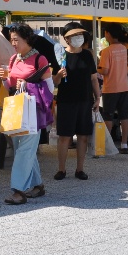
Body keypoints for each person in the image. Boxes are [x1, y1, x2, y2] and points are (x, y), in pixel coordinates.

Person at [0, 23, 51, 205]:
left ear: (27, 39)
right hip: (17, 111)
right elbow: (9, 85)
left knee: (24, 150)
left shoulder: (40, 60)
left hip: (33, 112)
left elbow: (50, 88)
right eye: (11, 39)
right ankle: (38, 185)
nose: (13, 43)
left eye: (16, 39)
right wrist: (6, 77)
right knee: (24, 150)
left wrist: (27, 84)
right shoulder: (14, 59)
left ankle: (18, 190)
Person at [53, 22, 99, 181]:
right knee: (64, 136)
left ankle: (80, 169)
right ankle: (61, 169)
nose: (78, 38)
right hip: (66, 100)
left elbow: (94, 78)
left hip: (85, 100)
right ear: (66, 39)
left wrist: (98, 97)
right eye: (73, 36)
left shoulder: (87, 55)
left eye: (79, 35)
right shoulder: (60, 55)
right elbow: (54, 82)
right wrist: (59, 75)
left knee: (83, 136)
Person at [98, 22, 128, 153]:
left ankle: (108, 145)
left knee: (108, 116)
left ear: (108, 34)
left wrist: (96, 68)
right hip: (124, 86)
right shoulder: (124, 48)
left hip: (111, 87)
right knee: (124, 116)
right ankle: (124, 144)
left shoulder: (106, 51)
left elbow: (104, 70)